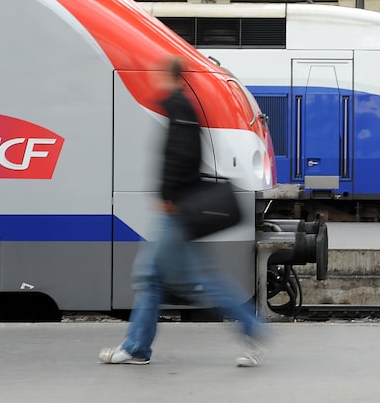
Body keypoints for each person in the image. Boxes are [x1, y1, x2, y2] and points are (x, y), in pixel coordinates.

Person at [99, 55, 267, 367]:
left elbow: (182, 156)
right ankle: (250, 327)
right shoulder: (179, 105)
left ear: (169, 75)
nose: (153, 78)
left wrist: (168, 196)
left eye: (157, 73)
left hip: (174, 210)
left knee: (153, 276)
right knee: (176, 278)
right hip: (176, 207)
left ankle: (137, 348)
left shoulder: (178, 106)